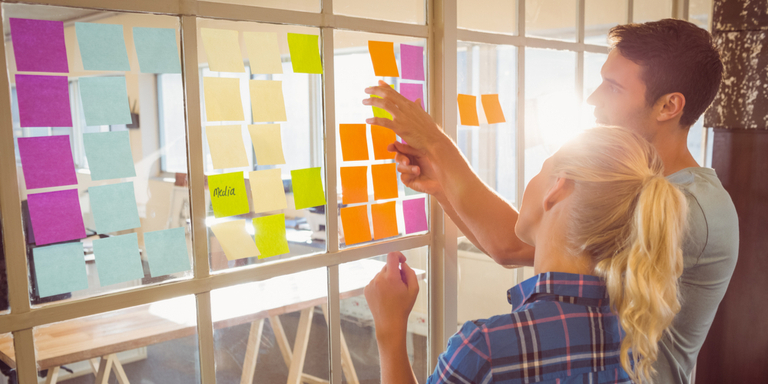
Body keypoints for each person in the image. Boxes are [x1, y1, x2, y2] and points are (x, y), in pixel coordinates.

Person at [362, 18, 738, 384]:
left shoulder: (688, 206)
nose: (593, 99)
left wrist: (437, 144)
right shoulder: (637, 187)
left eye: (613, 87)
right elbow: (519, 241)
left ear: (669, 106)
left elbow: (514, 244)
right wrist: (441, 185)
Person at [365, 127, 688, 383]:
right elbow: (504, 249)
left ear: (557, 188)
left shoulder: (487, 347)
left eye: (540, 171)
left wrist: (390, 329)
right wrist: (442, 187)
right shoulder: (633, 329)